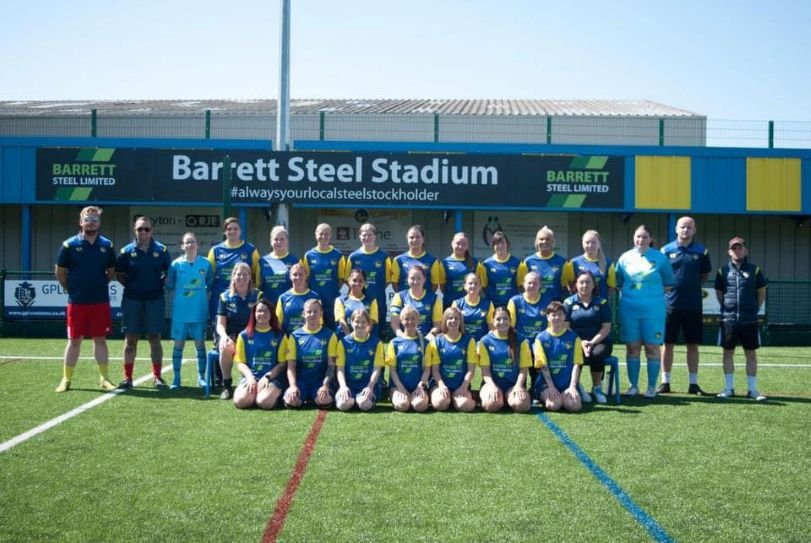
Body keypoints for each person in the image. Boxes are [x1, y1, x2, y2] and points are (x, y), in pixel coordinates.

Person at [54, 206, 118, 392]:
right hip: (77, 302)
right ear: (81, 222)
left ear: (99, 223)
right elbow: (60, 271)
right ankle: (66, 380)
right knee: (74, 340)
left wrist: (99, 284)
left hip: (100, 301)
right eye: (87, 219)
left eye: (95, 220)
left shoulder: (107, 245)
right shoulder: (69, 245)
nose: (91, 222)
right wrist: (71, 289)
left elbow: (111, 270)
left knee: (100, 339)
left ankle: (104, 379)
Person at [615, 225, 675, 399]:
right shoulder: (624, 258)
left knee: (652, 347)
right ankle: (633, 386)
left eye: (644, 237)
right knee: (632, 348)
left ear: (651, 239)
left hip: (653, 312)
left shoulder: (660, 258)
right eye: (637, 236)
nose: (640, 240)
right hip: (629, 310)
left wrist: (651, 296)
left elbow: (668, 284)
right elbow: (619, 282)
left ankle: (650, 388)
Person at [115, 215, 172, 389]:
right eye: (140, 229)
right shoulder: (126, 252)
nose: (143, 232)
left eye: (146, 229)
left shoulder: (161, 251)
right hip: (132, 299)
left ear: (151, 231)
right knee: (130, 338)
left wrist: (154, 286)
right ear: (135, 230)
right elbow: (119, 275)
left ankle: (157, 377)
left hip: (154, 300)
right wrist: (134, 287)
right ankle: (128, 378)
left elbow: (167, 274)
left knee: (154, 338)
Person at [658, 217, 712, 394]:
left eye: (689, 227)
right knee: (667, 344)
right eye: (682, 227)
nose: (685, 230)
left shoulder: (702, 251)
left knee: (693, 345)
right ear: (676, 229)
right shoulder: (665, 251)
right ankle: (665, 382)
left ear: (694, 229)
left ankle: (693, 383)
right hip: (670, 306)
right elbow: (660, 275)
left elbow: (704, 275)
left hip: (693, 306)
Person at [714, 237, 768, 401]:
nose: (737, 251)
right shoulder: (722, 271)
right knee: (727, 353)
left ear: (746, 250)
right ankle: (728, 388)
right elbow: (719, 293)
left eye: (740, 248)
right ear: (729, 251)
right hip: (729, 320)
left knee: (751, 355)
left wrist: (753, 309)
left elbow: (761, 293)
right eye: (734, 248)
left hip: (749, 320)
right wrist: (728, 309)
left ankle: (752, 390)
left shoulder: (755, 270)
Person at [165, 232, 213, 389]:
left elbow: (210, 286)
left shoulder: (206, 264)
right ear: (182, 246)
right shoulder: (175, 265)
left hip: (199, 312)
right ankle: (176, 379)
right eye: (187, 242)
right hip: (180, 313)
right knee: (178, 345)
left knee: (200, 345)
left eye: (192, 242)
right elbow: (169, 285)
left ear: (197, 244)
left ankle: (201, 378)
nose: (190, 245)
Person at [563, 271, 613, 404]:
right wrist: (581, 342)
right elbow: (566, 327)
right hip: (576, 341)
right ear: (576, 285)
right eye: (581, 282)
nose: (584, 285)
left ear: (593, 285)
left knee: (597, 354)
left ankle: (597, 388)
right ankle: (577, 386)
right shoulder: (568, 303)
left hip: (599, 341)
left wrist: (591, 342)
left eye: (588, 282)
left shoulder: (602, 303)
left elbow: (606, 328)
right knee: (576, 353)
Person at [215, 262, 262, 400]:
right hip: (231, 335)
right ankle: (227, 385)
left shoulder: (258, 295)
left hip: (251, 334)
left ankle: (254, 381)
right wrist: (223, 336)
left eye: (245, 274)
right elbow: (220, 324)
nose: (241, 277)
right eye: (238, 274)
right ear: (233, 277)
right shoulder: (225, 297)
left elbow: (262, 319)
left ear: (250, 278)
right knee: (226, 347)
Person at [232, 298, 288, 409]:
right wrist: (250, 378)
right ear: (254, 314)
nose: (262, 313)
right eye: (259, 311)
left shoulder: (280, 336)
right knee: (240, 401)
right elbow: (240, 363)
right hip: (251, 377)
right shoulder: (244, 335)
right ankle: (253, 394)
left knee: (264, 402)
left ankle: (274, 394)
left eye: (266, 311)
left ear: (271, 314)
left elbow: (282, 364)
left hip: (272, 379)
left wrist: (267, 377)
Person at [284, 299, 338, 408]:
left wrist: (325, 385)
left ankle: (313, 396)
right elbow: (291, 366)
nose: (312, 314)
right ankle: (304, 395)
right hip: (301, 381)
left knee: (325, 401)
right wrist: (293, 386)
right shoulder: (295, 336)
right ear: (303, 314)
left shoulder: (330, 335)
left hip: (319, 381)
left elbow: (331, 366)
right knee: (291, 401)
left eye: (315, 311)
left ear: (321, 313)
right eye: (309, 312)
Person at [477, 306, 531, 413]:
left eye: (505, 319)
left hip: (513, 385)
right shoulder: (485, 341)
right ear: (492, 321)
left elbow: (523, 370)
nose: (502, 322)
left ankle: (508, 397)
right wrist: (492, 387)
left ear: (511, 321)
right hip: (492, 383)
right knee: (491, 405)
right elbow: (486, 372)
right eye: (498, 319)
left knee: (522, 405)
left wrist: (518, 386)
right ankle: (500, 398)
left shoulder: (521, 341)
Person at [533, 301, 584, 412]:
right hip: (546, 384)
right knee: (554, 405)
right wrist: (551, 386)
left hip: (567, 384)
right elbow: (543, 365)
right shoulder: (540, 338)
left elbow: (577, 364)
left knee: (574, 406)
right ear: (547, 317)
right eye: (553, 315)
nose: (557, 318)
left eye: (560, 314)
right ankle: (543, 396)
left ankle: (573, 391)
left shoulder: (574, 337)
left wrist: (573, 386)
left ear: (565, 316)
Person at [207, 217, 260, 322]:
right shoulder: (215, 251)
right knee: (219, 329)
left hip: (244, 298)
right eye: (229, 229)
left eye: (235, 229)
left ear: (240, 231)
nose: (232, 231)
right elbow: (209, 275)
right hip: (220, 296)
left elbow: (257, 275)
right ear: (224, 232)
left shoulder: (250, 250)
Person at [426, 307, 477, 412]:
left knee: (464, 406)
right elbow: (435, 369)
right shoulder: (437, 341)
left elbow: (471, 370)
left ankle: (474, 397)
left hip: (461, 384)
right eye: (450, 318)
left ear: (460, 321)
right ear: (445, 321)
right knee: (440, 404)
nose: (453, 321)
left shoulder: (469, 341)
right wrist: (441, 385)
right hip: (439, 383)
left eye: (456, 318)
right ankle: (447, 398)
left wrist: (464, 386)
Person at [334, 308, 384, 412]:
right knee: (343, 405)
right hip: (349, 384)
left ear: (368, 324)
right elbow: (340, 368)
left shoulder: (377, 343)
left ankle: (360, 399)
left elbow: (377, 368)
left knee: (364, 404)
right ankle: (352, 399)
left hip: (367, 384)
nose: (360, 325)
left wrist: (370, 387)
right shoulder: (343, 342)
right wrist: (343, 387)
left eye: (363, 322)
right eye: (356, 321)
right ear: (351, 322)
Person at [344, 223, 389, 335]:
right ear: (359, 236)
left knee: (377, 334)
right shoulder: (353, 257)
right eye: (364, 235)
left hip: (378, 300)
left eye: (370, 235)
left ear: (375, 236)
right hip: (358, 301)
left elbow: (388, 280)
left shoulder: (384, 256)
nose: (367, 238)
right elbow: (347, 279)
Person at [507, 271, 548, 396]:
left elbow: (551, 325)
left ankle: (537, 389)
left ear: (540, 285)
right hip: (521, 342)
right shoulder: (515, 301)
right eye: (529, 283)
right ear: (524, 284)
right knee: (523, 350)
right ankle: (521, 386)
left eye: (535, 283)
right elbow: (511, 325)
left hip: (540, 343)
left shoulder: (547, 301)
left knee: (538, 352)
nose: (532, 286)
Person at [385, 305, 431, 412]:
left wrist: (420, 386)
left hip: (418, 386)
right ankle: (394, 394)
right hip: (398, 386)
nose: (410, 321)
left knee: (419, 406)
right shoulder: (394, 343)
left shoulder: (425, 343)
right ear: (401, 321)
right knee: (403, 405)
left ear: (418, 320)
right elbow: (392, 370)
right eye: (406, 318)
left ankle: (419, 396)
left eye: (413, 318)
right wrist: (400, 387)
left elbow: (427, 370)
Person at [302, 223, 347, 330]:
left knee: (332, 329)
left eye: (326, 234)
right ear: (315, 234)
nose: (323, 236)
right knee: (316, 329)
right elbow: (306, 279)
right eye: (321, 233)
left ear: (330, 235)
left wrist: (331, 291)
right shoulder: (308, 255)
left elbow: (341, 279)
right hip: (315, 300)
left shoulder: (338, 255)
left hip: (332, 299)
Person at [518, 226, 568, 307]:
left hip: (555, 306)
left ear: (553, 242)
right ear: (536, 242)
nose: (544, 241)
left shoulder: (562, 262)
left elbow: (565, 286)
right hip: (534, 306)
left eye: (548, 239)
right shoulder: (527, 262)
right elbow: (522, 286)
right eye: (541, 239)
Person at [389, 265, 442, 338]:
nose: (415, 281)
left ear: (424, 279)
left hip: (427, 339)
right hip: (406, 339)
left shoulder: (434, 298)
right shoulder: (399, 297)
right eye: (412, 278)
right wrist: (403, 337)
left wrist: (430, 336)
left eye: (418, 278)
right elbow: (394, 324)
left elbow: (437, 325)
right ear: (407, 279)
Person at [562, 229, 616, 300]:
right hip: (579, 306)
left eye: (593, 242)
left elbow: (611, 287)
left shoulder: (608, 263)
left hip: (600, 305)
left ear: (599, 244)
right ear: (582, 244)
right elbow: (569, 284)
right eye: (587, 242)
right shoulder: (574, 262)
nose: (590, 245)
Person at [389, 224, 442, 293]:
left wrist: (427, 298)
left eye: (418, 237)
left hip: (425, 302)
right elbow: (394, 283)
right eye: (411, 237)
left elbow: (435, 285)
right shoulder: (398, 260)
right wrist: (403, 298)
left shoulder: (432, 261)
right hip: (405, 302)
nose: (414, 240)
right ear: (407, 239)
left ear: (423, 239)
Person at [276, 263, 322, 335]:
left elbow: (319, 322)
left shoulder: (315, 296)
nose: (298, 277)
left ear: (306, 276)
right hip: (288, 340)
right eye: (295, 274)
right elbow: (278, 323)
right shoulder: (283, 298)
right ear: (290, 276)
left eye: (301, 274)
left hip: (309, 340)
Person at [439, 232, 482, 309]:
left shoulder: (475, 263)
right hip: (449, 304)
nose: (460, 246)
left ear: (467, 246)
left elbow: (478, 285)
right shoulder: (445, 263)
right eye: (458, 243)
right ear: (452, 244)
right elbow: (442, 286)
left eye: (464, 244)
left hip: (469, 306)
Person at [258, 225, 299, 306]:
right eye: (276, 239)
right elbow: (258, 285)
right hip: (267, 307)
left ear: (287, 241)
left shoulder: (294, 261)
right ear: (271, 241)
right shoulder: (262, 261)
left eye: (282, 239)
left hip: (288, 305)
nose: (278, 242)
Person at [479, 230, 520, 308]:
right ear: (493, 246)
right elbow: (483, 287)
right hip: (493, 305)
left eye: (503, 243)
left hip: (511, 305)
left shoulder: (517, 263)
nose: (500, 246)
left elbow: (520, 286)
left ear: (508, 244)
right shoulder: (486, 264)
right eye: (497, 243)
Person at [334, 268, 379, 339]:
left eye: (360, 281)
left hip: (365, 339)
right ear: (349, 281)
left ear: (364, 283)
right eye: (354, 280)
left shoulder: (372, 300)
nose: (357, 283)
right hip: (346, 340)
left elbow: (371, 322)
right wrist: (350, 338)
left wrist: (362, 337)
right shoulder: (340, 300)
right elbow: (342, 321)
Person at [452, 273, 494, 341]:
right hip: (463, 343)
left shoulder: (488, 304)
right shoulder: (457, 304)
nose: (473, 286)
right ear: (465, 286)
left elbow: (491, 329)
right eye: (470, 283)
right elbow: (453, 328)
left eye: (476, 283)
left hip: (481, 342)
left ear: (480, 286)